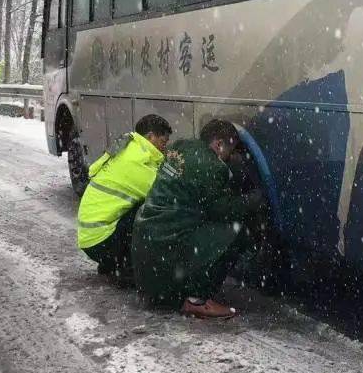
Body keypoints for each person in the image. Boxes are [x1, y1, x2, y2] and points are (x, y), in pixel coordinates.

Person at [132, 119, 266, 319]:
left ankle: (172, 292)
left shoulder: (179, 146)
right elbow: (222, 211)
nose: (230, 158)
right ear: (219, 144)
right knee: (238, 233)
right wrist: (252, 200)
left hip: (146, 244)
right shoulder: (213, 166)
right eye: (230, 152)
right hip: (168, 251)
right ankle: (197, 301)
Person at [78, 114, 172, 284]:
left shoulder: (129, 148)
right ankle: (125, 268)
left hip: (91, 238)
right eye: (163, 142)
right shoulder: (136, 161)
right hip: (100, 241)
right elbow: (166, 194)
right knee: (153, 211)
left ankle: (111, 263)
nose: (165, 147)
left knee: (134, 208)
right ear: (150, 136)